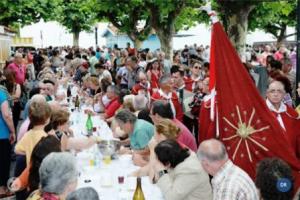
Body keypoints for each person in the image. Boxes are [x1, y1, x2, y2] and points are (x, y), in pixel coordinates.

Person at [266, 80, 300, 158]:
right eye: (272, 91)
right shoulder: (259, 112)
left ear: (284, 94)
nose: (276, 94)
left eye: (279, 91)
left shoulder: (292, 114)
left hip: (291, 160)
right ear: (266, 93)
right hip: (268, 161)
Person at [15, 101, 51, 166]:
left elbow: (17, 150)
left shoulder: (28, 134)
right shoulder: (46, 137)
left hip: (30, 169)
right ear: (47, 120)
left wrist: (30, 153)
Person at [0, 81, 15, 198]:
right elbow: (6, 115)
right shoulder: (1, 94)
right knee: (3, 162)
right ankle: (2, 189)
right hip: (2, 134)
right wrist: (13, 130)